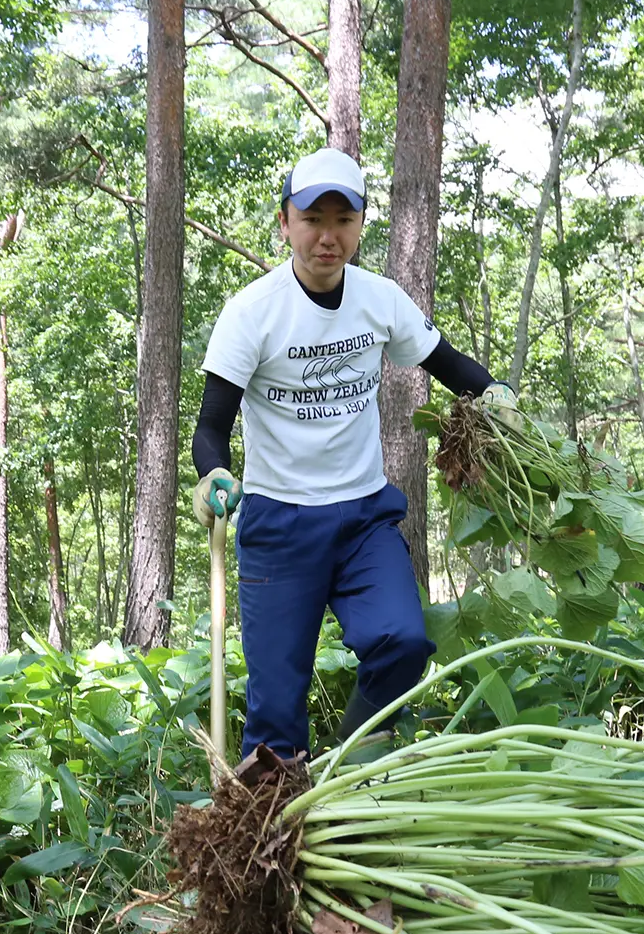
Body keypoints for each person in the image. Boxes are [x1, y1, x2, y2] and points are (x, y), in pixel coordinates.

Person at [191, 147, 512, 761]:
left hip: (364, 516)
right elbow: (211, 427)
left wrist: (499, 396)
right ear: (285, 222)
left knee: (404, 641)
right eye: (312, 219)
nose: (328, 237)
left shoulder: (378, 299)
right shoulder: (252, 313)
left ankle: (348, 774)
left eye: (344, 220)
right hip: (279, 523)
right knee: (276, 714)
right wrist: (213, 474)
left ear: (361, 224)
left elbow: (447, 364)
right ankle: (276, 828)